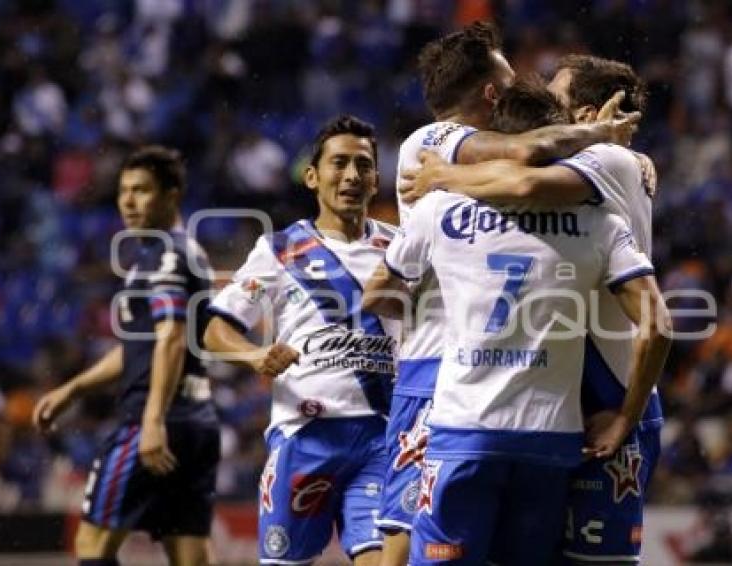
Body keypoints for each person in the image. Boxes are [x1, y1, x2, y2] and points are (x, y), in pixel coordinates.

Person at [363, 78, 672, 565]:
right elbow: (658, 322)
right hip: (554, 434)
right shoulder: (596, 219)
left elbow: (377, 295)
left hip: (467, 426)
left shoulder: (439, 205)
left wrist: (436, 314)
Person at [203, 115, 399, 565]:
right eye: (340, 163)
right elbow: (214, 328)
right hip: (304, 437)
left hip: (382, 437)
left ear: (375, 178)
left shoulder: (401, 246)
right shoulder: (279, 249)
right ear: (312, 176)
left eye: (364, 165)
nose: (352, 175)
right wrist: (253, 354)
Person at [32, 146, 220, 566]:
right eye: (123, 191)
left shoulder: (164, 255)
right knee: (189, 551)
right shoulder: (184, 251)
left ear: (172, 195)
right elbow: (144, 345)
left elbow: (170, 338)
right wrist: (74, 388)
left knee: (92, 546)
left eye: (142, 190)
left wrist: (153, 419)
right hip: (196, 420)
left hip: (153, 420)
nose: (128, 202)